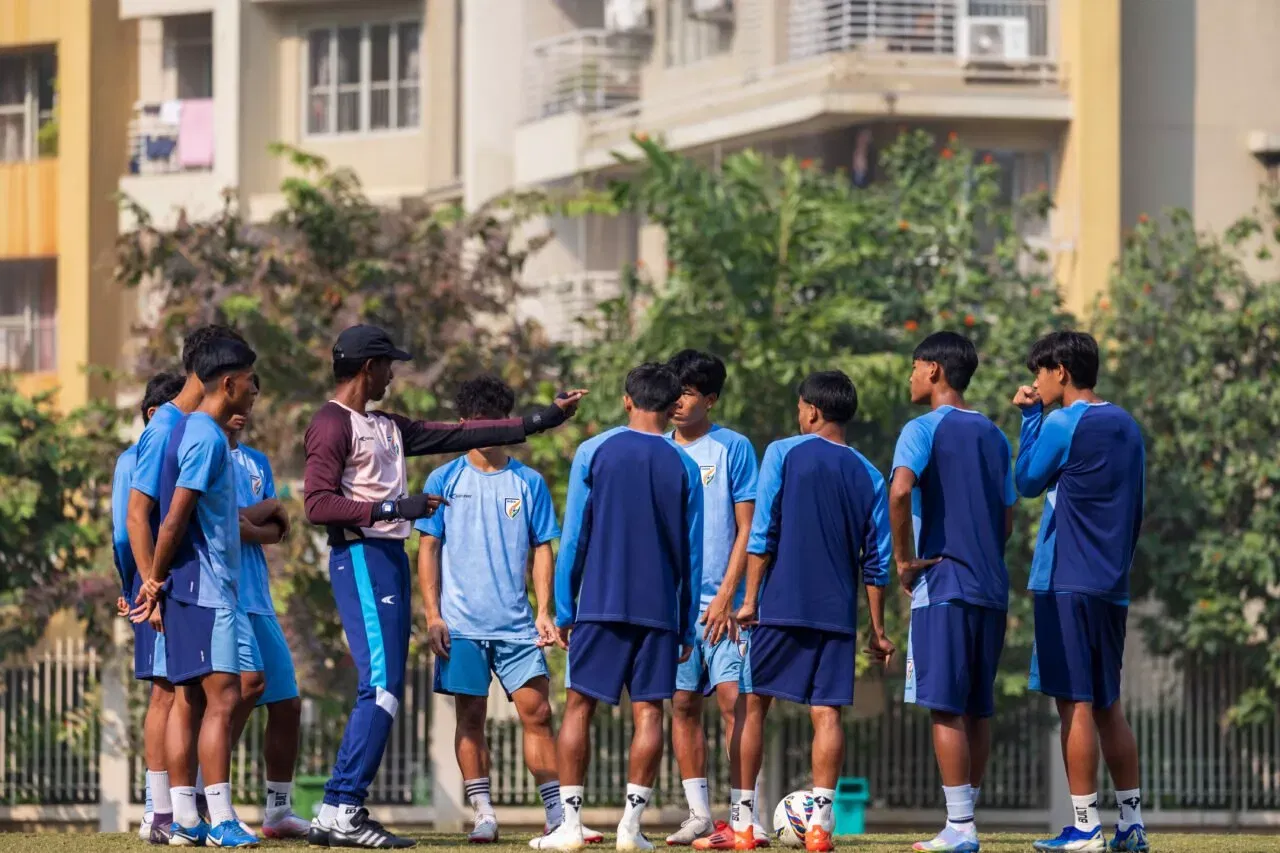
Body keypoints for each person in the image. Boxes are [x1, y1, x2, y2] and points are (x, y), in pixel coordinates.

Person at [303, 325, 586, 850]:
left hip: (386, 558)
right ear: (369, 367)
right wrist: (394, 508)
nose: (394, 374)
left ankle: (338, 807)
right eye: (389, 365)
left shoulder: (387, 425)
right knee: (383, 687)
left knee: (384, 689)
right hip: (361, 556)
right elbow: (317, 505)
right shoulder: (330, 423)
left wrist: (544, 419)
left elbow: (462, 434)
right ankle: (342, 806)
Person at [418, 375, 602, 846]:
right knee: (471, 718)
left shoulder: (529, 481)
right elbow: (429, 548)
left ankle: (558, 814)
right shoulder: (443, 479)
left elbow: (544, 548)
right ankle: (483, 813)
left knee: (537, 712)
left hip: (517, 625)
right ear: (463, 425)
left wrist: (546, 610)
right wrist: (433, 615)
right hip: (460, 625)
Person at [535, 363, 703, 852]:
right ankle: (630, 830)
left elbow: (573, 540)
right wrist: (686, 625)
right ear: (674, 406)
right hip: (659, 612)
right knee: (649, 713)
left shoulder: (595, 451)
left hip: (600, 605)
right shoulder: (685, 465)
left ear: (628, 400)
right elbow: (690, 555)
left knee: (579, 707)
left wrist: (565, 609)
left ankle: (569, 826)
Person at [734, 371, 893, 853]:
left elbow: (762, 534)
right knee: (827, 716)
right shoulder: (869, 474)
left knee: (753, 704)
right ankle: (821, 826)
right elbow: (877, 562)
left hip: (780, 605)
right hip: (836, 615)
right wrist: (878, 630)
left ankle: (743, 824)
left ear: (814, 411)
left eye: (801, 407)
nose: (798, 414)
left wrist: (749, 600)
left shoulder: (783, 452)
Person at [1012, 332, 1147, 853]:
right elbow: (1136, 507)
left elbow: (1026, 480)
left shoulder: (1065, 420)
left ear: (1061, 371)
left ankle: (1085, 825)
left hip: (1064, 580)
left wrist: (1028, 419)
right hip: (1111, 585)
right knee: (1109, 702)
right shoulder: (1128, 425)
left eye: (1040, 373)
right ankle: (1131, 825)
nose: (1037, 382)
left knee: (1076, 703)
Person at [131, 335, 262, 848]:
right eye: (250, 382)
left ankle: (185, 817)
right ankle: (221, 818)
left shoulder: (196, 432)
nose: (254, 392)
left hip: (198, 589)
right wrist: (153, 580)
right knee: (222, 699)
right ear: (228, 383)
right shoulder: (206, 438)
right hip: (207, 591)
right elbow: (171, 518)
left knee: (191, 698)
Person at [889, 332, 1016, 853]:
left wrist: (903, 559)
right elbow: (1007, 516)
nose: (912, 376)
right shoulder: (994, 434)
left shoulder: (921, 428)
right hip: (991, 585)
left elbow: (899, 491)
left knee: (944, 705)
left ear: (936, 371)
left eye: (916, 367)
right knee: (976, 707)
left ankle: (960, 828)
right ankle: (966, 820)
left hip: (942, 582)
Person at [659, 351, 767, 849]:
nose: (677, 401)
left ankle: (746, 815)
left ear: (710, 399)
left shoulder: (734, 448)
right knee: (681, 705)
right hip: (677, 608)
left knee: (733, 702)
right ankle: (699, 814)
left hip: (724, 604)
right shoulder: (657, 448)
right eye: (673, 391)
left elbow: (749, 528)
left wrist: (728, 595)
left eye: (688, 392)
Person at [227, 392, 312, 839]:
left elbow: (279, 529)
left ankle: (278, 812)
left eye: (252, 398)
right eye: (238, 394)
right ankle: (205, 800)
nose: (244, 406)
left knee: (287, 704)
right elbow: (224, 521)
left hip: (260, 598)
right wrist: (266, 514)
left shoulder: (258, 461)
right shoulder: (206, 451)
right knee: (236, 697)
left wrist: (254, 521)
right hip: (224, 597)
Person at [111, 370, 185, 842]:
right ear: (155, 414)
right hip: (150, 582)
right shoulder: (134, 457)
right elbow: (125, 528)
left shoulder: (183, 451)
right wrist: (133, 582)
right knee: (163, 690)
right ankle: (156, 809)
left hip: (181, 582)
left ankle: (184, 803)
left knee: (189, 691)